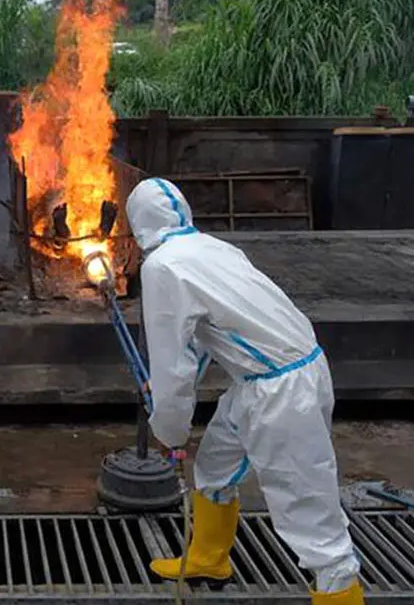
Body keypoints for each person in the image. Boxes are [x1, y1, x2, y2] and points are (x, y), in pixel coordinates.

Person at [126, 178, 363, 605]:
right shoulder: (212, 248)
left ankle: (341, 593)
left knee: (309, 512)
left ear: (137, 224)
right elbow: (202, 337)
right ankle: (208, 559)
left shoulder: (161, 267)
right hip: (274, 376)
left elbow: (170, 362)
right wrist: (174, 395)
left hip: (282, 392)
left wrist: (170, 426)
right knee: (216, 465)